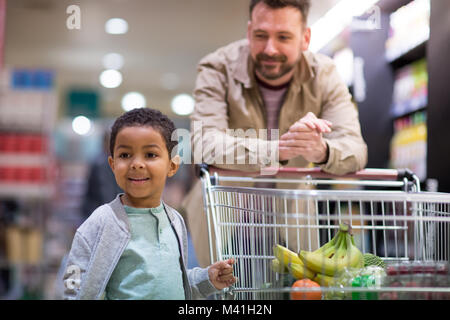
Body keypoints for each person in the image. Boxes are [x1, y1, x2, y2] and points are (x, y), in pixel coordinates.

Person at [183, 0, 368, 267]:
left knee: (298, 292)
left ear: (305, 38)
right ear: (249, 32)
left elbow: (355, 149)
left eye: (283, 37)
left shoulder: (324, 74)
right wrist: (278, 150)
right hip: (222, 219)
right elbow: (203, 143)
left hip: (292, 220)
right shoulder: (217, 68)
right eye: (261, 35)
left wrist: (322, 151)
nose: (270, 48)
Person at [62, 108, 236, 300]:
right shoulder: (101, 222)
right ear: (112, 165)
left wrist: (206, 278)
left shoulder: (175, 221)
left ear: (172, 166)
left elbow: (171, 280)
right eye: (125, 155)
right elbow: (72, 283)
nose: (136, 163)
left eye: (150, 155)